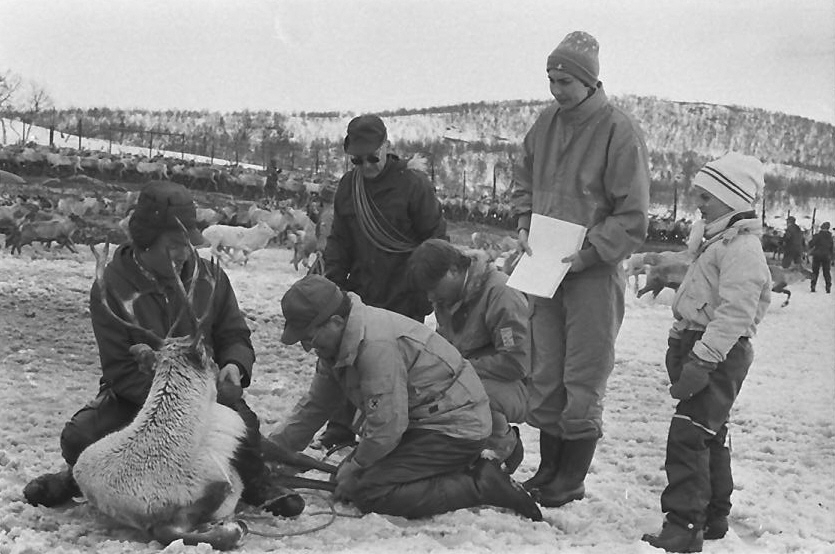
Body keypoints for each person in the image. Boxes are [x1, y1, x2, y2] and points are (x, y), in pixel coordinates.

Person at [23, 181, 299, 516]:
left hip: (208, 392)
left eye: (188, 244)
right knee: (82, 437)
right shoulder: (112, 287)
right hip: (139, 398)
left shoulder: (210, 277)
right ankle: (76, 478)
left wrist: (235, 366)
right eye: (174, 245)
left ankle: (257, 482)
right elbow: (120, 369)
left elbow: (234, 335)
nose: (185, 253)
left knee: (245, 431)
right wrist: (173, 412)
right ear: (146, 242)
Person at [267, 275, 542, 521]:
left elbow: (387, 427)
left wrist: (357, 465)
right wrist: (270, 452)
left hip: (454, 427)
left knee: (369, 490)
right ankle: (452, 470)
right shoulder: (338, 343)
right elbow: (315, 406)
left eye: (309, 336)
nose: (306, 346)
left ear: (336, 322)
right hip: (424, 422)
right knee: (348, 479)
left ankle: (479, 483)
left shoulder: (375, 347)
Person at [509, 30, 650, 507]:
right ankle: (548, 469)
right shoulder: (545, 123)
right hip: (543, 269)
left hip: (592, 271)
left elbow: (632, 217)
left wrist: (589, 252)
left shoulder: (619, 131)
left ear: (588, 81)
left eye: (564, 81)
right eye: (550, 79)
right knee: (545, 369)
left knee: (583, 374)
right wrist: (525, 222)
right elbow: (523, 178)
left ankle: (571, 477)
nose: (555, 90)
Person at [642, 153, 772, 553]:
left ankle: (684, 526)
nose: (699, 202)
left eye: (707, 196)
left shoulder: (741, 249)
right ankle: (713, 516)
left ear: (733, 198)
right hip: (698, 344)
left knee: (688, 436)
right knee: (709, 435)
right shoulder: (716, 242)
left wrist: (702, 359)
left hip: (715, 352)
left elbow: (736, 313)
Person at [317, 114, 448, 449]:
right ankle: (340, 425)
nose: (366, 165)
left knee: (397, 364)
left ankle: (396, 429)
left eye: (372, 157)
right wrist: (333, 285)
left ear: (387, 148)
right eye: (357, 160)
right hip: (361, 288)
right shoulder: (349, 186)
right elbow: (339, 240)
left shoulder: (414, 185)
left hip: (405, 289)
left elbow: (435, 240)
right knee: (346, 355)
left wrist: (425, 290)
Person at [407, 239, 530, 474]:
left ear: (454, 270)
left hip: (514, 386)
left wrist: (459, 369)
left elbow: (517, 363)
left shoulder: (501, 294)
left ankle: (502, 450)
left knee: (465, 392)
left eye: (434, 286)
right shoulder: (447, 296)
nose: (431, 297)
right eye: (426, 290)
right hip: (469, 374)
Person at [808, 221, 833, 293]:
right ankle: (828, 286)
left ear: (822, 227)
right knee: (826, 272)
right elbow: (832, 248)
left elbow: (811, 244)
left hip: (817, 255)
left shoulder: (818, 235)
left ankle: (813, 285)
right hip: (827, 256)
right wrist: (831, 257)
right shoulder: (830, 237)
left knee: (815, 271)